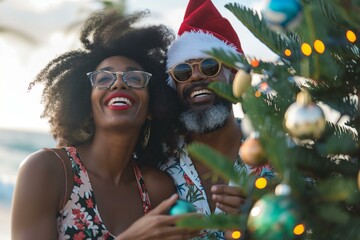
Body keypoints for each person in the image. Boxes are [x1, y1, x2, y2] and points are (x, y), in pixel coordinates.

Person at [11, 9, 198, 240]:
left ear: (153, 107)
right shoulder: (48, 170)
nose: (119, 83)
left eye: (134, 78)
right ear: (87, 105)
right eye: (104, 78)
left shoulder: (157, 188)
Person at [160, 0, 274, 239]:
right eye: (183, 71)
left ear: (235, 79)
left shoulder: (279, 157)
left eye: (210, 66)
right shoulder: (158, 164)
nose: (197, 76)